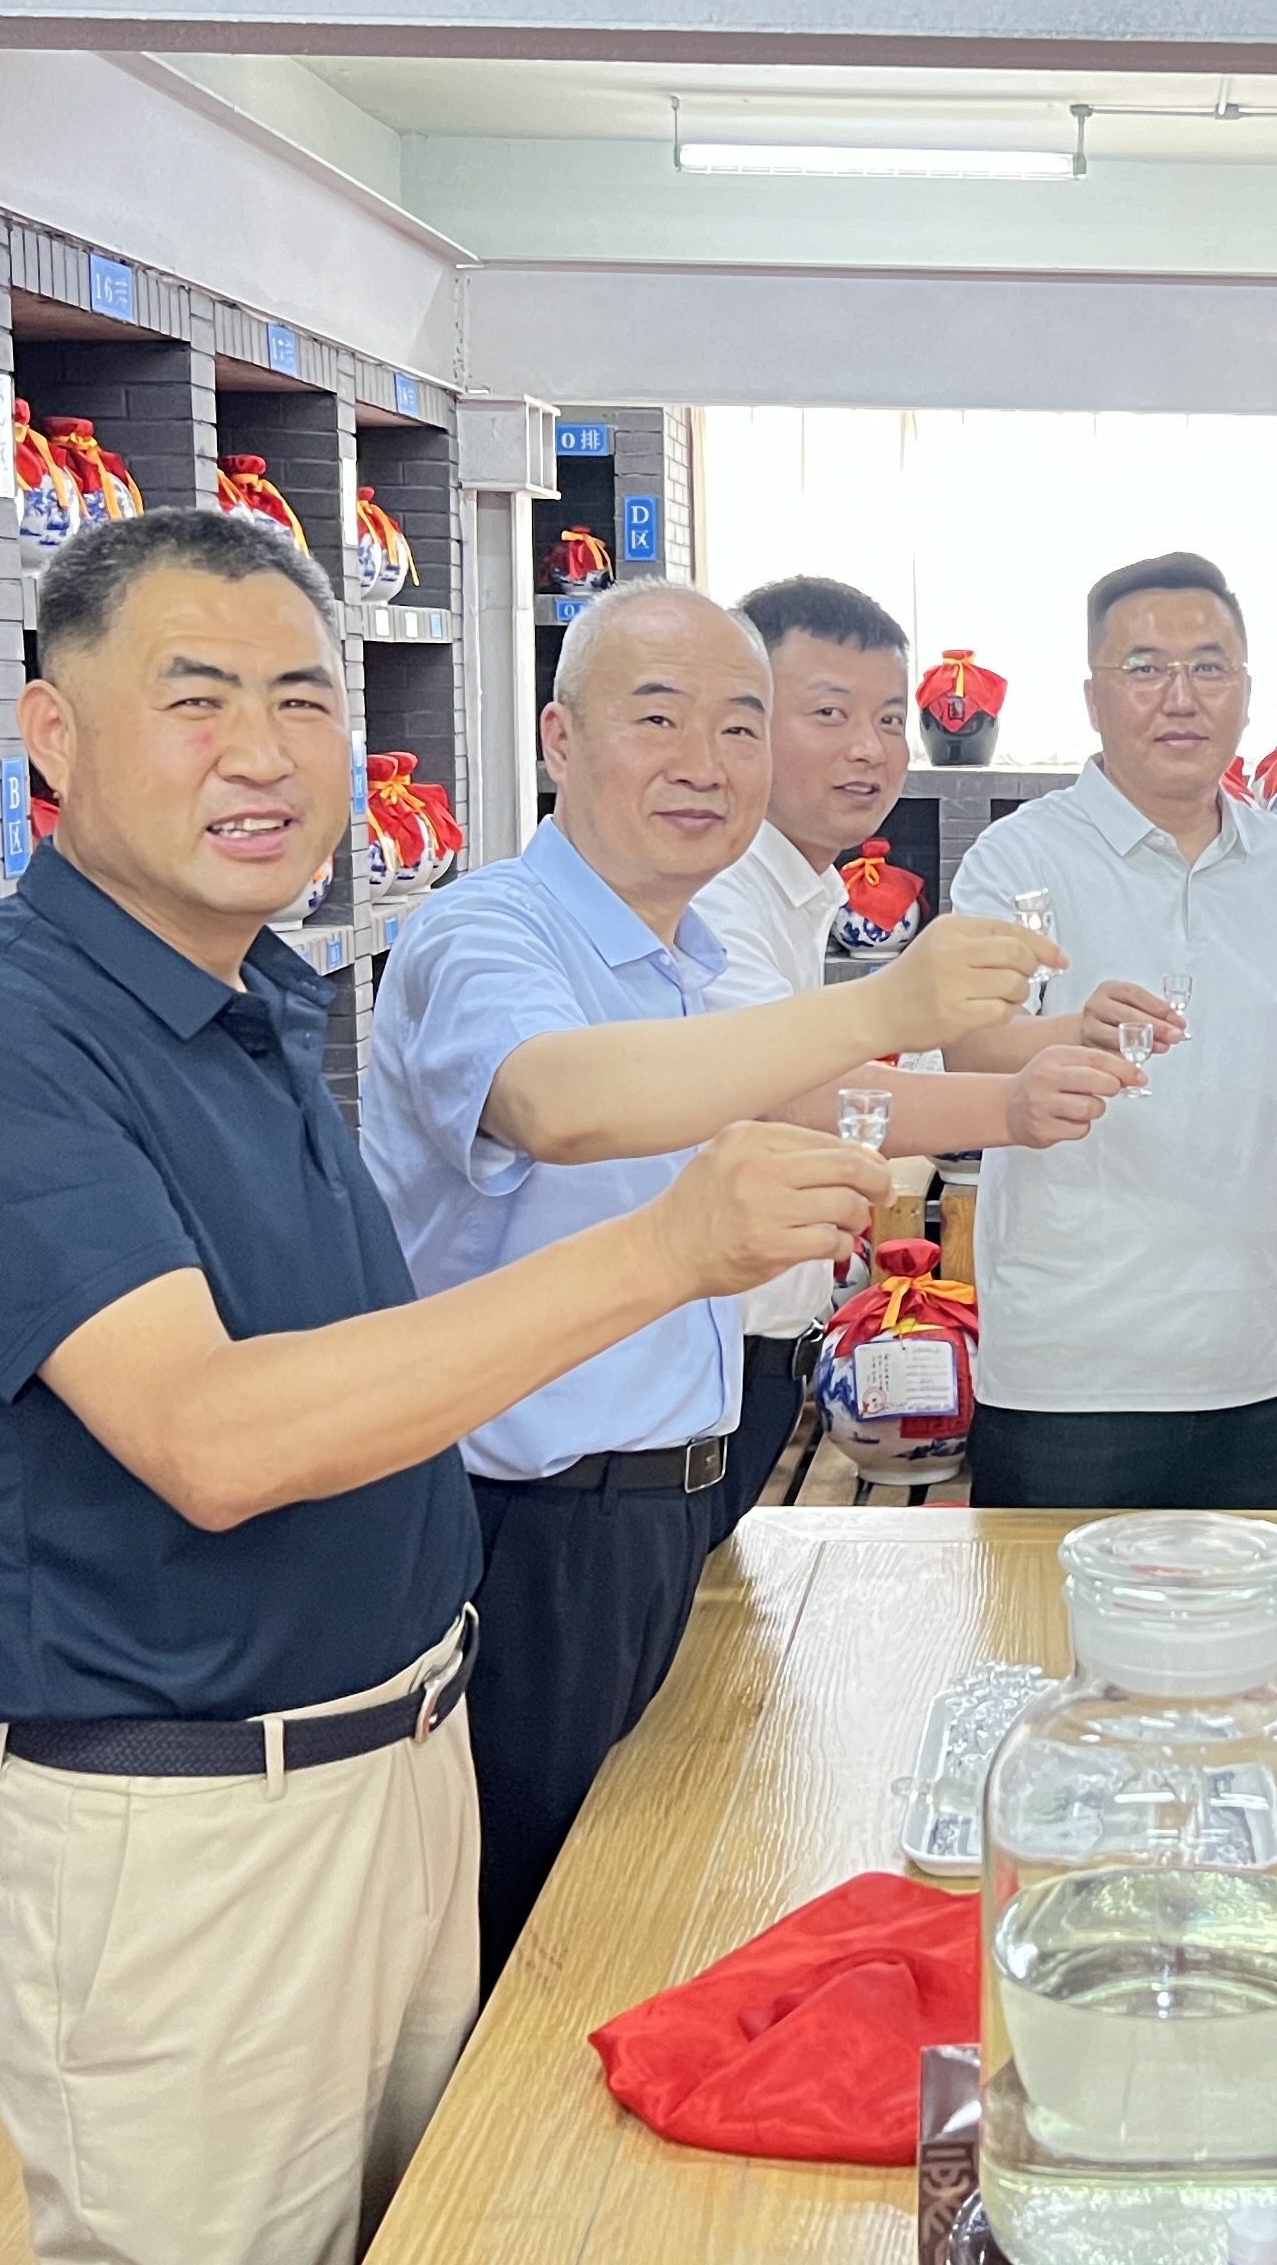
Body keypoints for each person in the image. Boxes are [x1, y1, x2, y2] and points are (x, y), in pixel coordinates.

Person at [0, 508, 887, 2265]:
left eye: (303, 700)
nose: (260, 752)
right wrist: (662, 1253)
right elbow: (214, 1439)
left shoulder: (245, 1001)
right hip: (195, 1833)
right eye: (194, 699)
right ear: (51, 735)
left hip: (396, 1765)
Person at [367, 583, 1124, 1965]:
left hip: (664, 1500)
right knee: (523, 1933)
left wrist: (1012, 1107)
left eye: (737, 728)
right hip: (520, 1528)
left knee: (644, 1897)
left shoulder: (683, 953)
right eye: (658, 721)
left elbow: (776, 1091)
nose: (706, 765)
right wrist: (888, 1003)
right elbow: (559, 1102)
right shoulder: (487, 931)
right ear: (558, 738)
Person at [944, 550, 1277, 1508]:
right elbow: (968, 1050)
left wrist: (1248, 1132)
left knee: (1245, 1606)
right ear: (1093, 698)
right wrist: (1070, 1033)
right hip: (1066, 1364)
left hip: (1247, 1356)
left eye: (1209, 667)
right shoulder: (1020, 855)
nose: (1181, 696)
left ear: (1246, 692)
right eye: (1144, 668)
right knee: (1048, 1608)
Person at [706, 573, 919, 1504]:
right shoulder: (712, 892)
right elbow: (783, 1089)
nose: (868, 748)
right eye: (829, 713)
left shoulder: (797, 886)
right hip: (701, 1358)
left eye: (890, 719)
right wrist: (1019, 1105)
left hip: (761, 1351)